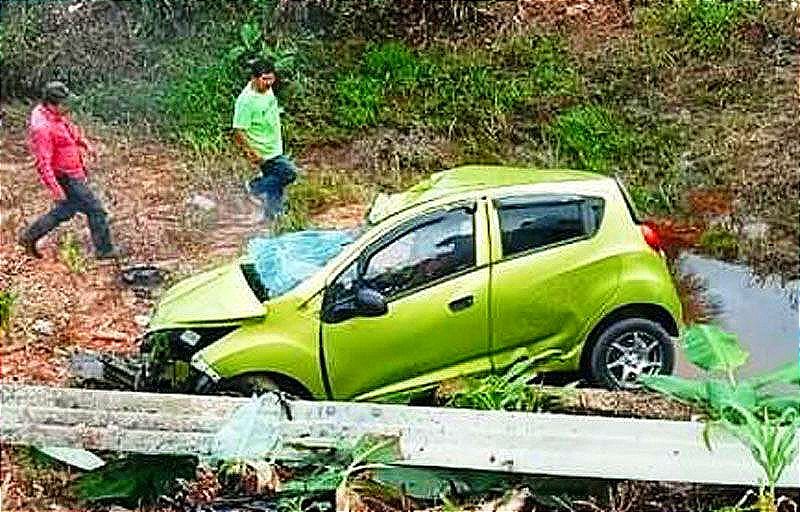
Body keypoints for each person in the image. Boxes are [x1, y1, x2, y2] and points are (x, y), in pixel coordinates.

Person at [18, 81, 120, 260]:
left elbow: (68, 127)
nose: (68, 108)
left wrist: (84, 143)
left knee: (65, 211)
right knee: (97, 210)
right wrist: (56, 189)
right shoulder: (42, 128)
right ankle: (104, 251)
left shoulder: (53, 114)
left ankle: (29, 237)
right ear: (52, 104)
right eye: (64, 104)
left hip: (73, 172)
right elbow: (43, 164)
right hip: (67, 177)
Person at [232, 59, 297, 220]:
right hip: (263, 151)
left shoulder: (266, 90)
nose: (268, 83)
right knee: (289, 174)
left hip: (274, 146)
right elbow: (238, 131)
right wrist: (251, 154)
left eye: (271, 79)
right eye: (264, 79)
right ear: (254, 78)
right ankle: (252, 188)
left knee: (275, 187)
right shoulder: (246, 101)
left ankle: (273, 216)